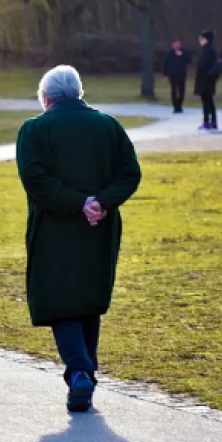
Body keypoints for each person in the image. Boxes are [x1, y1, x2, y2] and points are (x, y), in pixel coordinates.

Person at [15, 66, 142, 413]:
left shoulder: (34, 130)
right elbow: (130, 173)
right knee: (87, 299)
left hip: (53, 228)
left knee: (60, 300)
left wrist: (77, 202)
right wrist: (101, 202)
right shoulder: (108, 126)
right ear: (79, 92)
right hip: (99, 227)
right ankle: (84, 376)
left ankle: (80, 371)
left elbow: (35, 179)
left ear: (46, 98)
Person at [194, 29, 222, 130]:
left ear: (206, 39)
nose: (200, 41)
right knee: (209, 101)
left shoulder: (208, 51)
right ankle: (213, 121)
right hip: (207, 80)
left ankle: (207, 122)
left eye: (202, 39)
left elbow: (204, 66)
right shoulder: (208, 50)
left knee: (206, 101)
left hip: (206, 80)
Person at [162, 38, 192, 114]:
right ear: (172, 45)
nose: (176, 46)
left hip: (182, 74)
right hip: (172, 74)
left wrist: (182, 55)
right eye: (175, 44)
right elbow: (166, 64)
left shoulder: (184, 51)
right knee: (174, 90)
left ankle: (179, 104)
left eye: (178, 44)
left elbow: (189, 60)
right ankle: (175, 106)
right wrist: (165, 75)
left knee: (182, 90)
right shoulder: (169, 53)